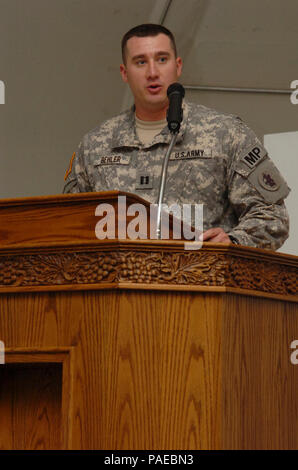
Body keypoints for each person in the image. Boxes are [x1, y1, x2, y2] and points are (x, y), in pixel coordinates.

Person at [63, 23, 290, 250]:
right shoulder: (95, 146)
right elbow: (67, 224)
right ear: (124, 73)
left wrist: (233, 242)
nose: (152, 72)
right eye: (141, 62)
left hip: (201, 279)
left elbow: (272, 216)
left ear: (178, 66)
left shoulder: (226, 133)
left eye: (162, 59)